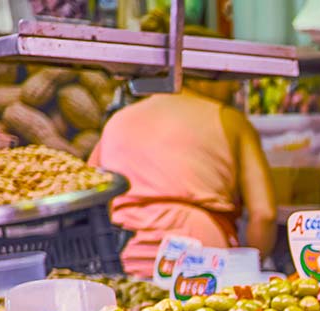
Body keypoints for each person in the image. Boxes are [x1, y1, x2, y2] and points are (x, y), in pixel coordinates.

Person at [89, 13, 276, 278]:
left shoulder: (117, 121)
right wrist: (247, 270)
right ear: (203, 74)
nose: (234, 89)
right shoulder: (230, 120)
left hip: (127, 259)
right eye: (229, 77)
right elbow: (264, 214)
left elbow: (92, 198)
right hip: (203, 264)